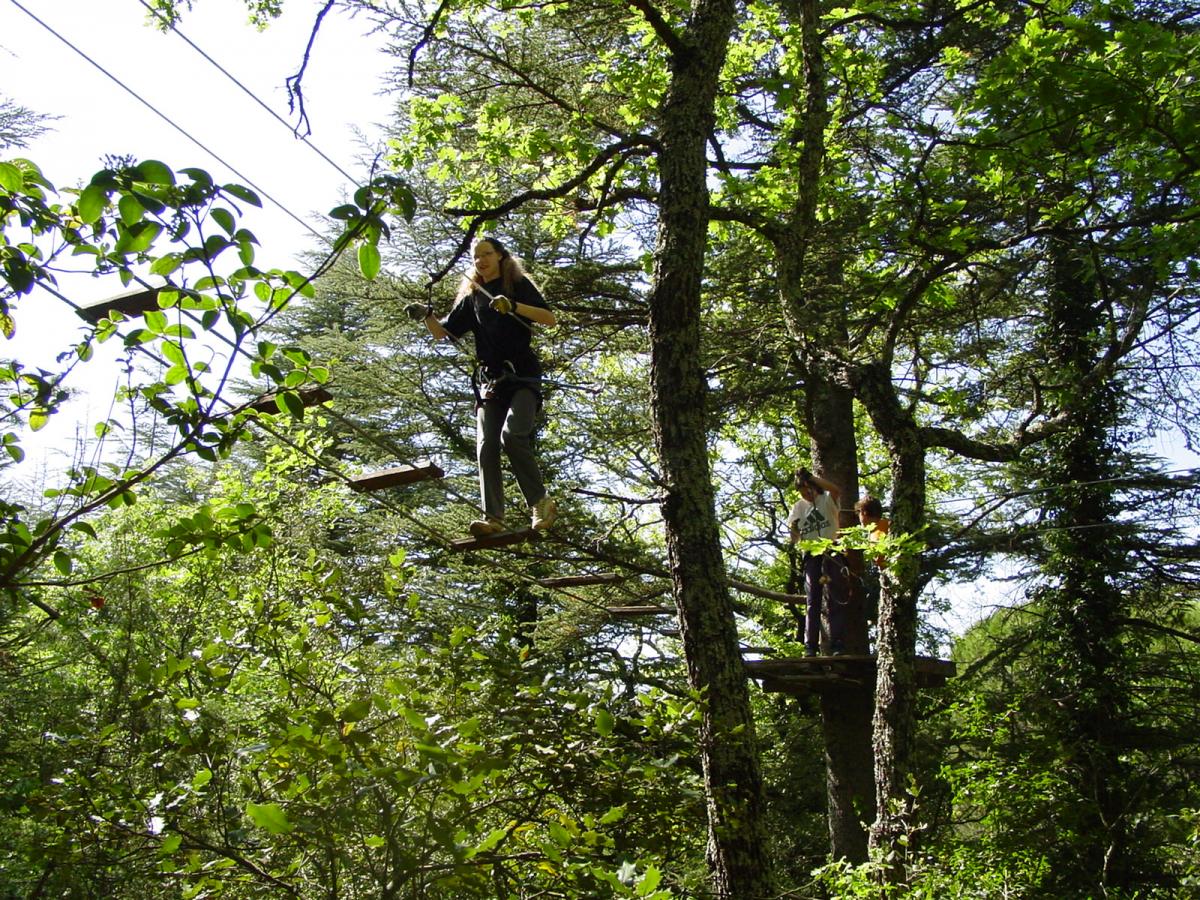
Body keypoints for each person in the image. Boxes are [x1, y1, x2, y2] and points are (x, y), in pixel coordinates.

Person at [406, 237, 557, 537]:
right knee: (486, 446)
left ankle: (541, 503)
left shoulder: (517, 285)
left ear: (500, 256)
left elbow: (549, 318)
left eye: (486, 254)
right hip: (491, 380)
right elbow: (444, 333)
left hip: (522, 375)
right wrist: (427, 316)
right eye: (476, 256)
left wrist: (513, 306)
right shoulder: (473, 296)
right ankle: (493, 518)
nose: (480, 260)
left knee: (512, 436)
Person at [787, 467, 848, 656]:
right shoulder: (798, 507)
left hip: (832, 551)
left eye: (809, 491)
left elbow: (836, 489)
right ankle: (810, 646)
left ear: (815, 487)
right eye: (803, 494)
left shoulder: (827, 499)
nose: (807, 496)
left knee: (836, 595)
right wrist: (794, 529)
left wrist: (811, 478)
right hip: (811, 555)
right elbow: (794, 537)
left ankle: (837, 643)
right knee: (813, 599)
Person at [855, 495, 890, 568]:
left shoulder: (878, 533)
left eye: (859, 512)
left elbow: (881, 561)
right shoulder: (887, 524)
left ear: (863, 512)